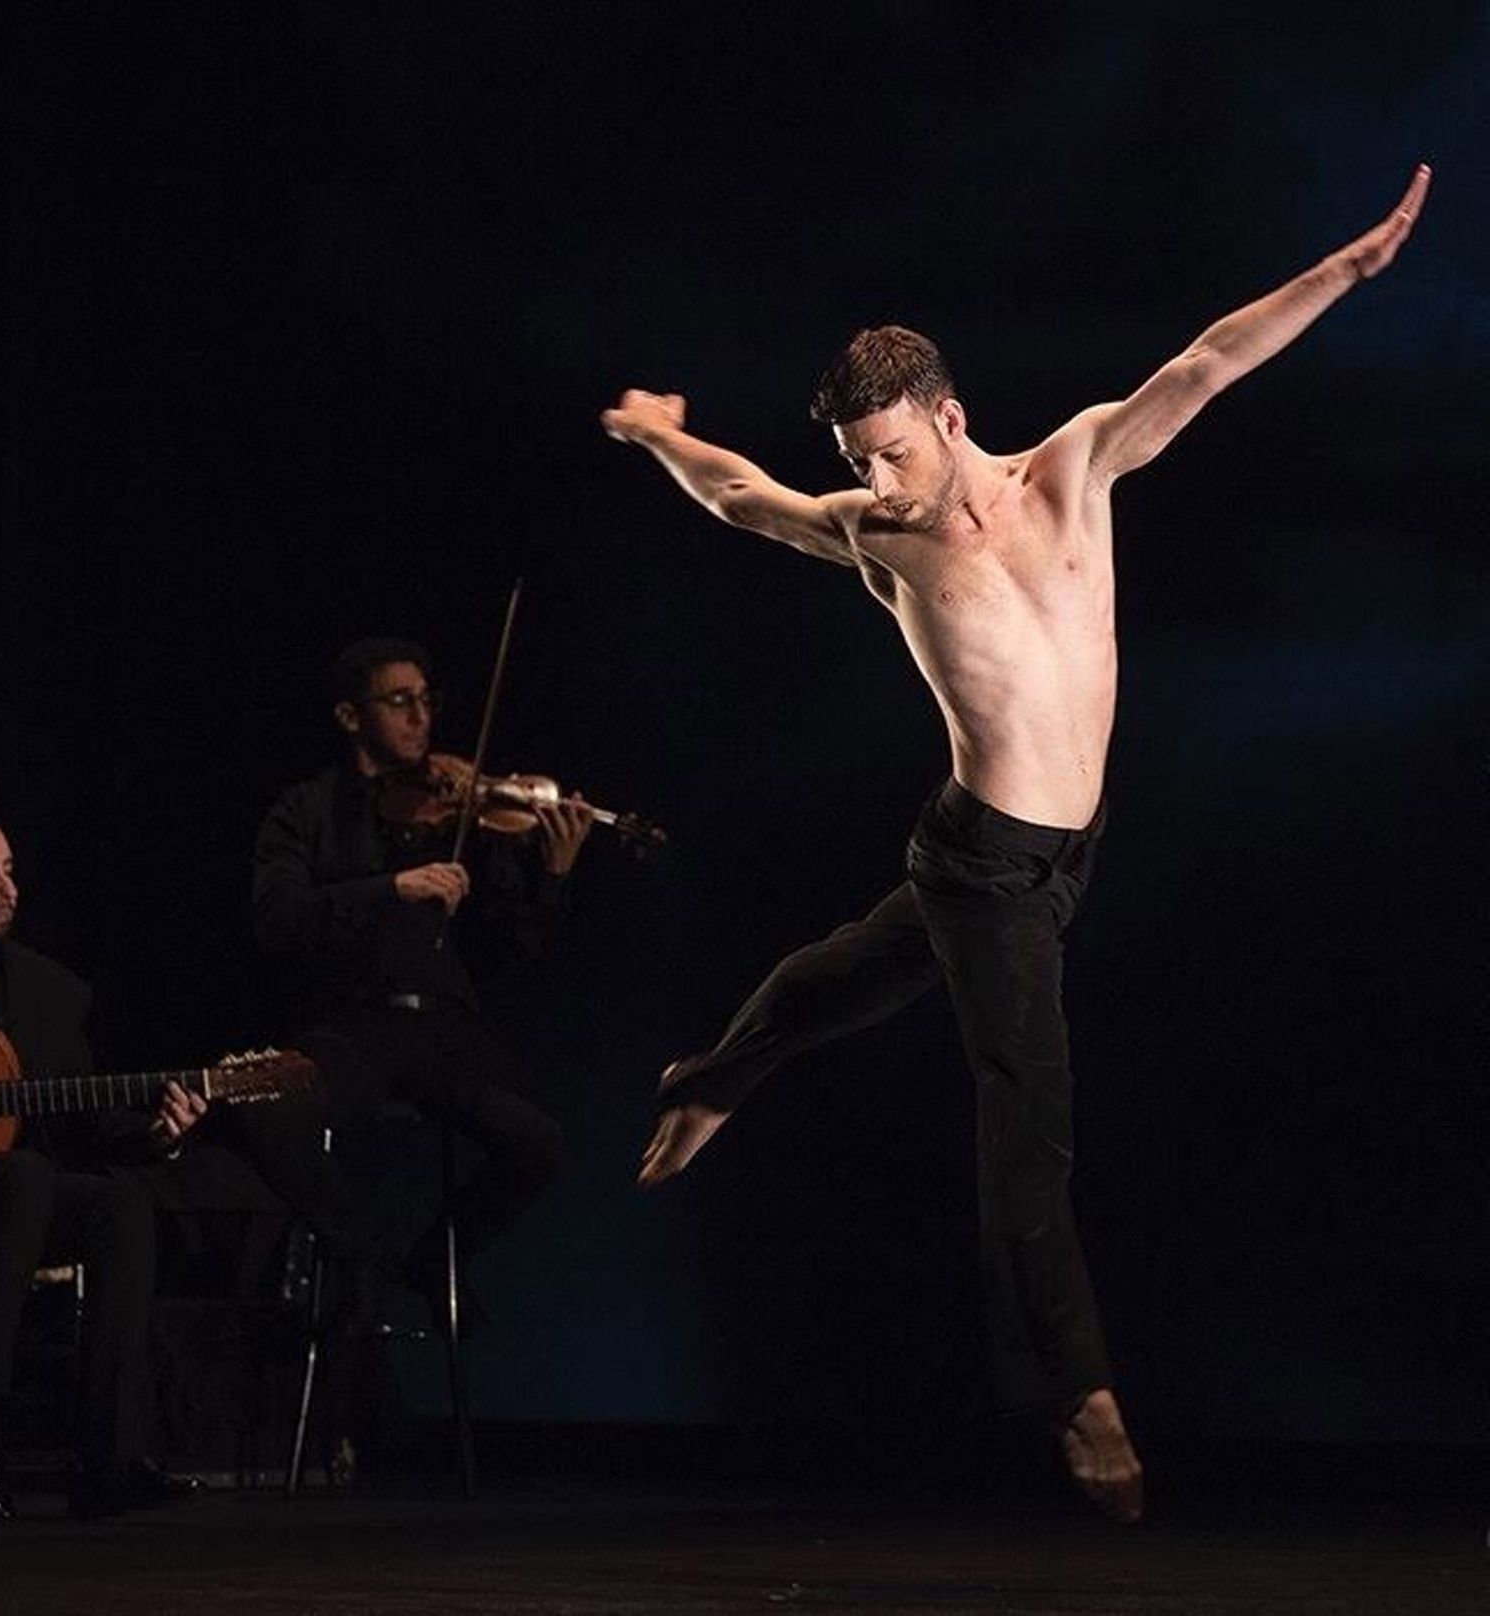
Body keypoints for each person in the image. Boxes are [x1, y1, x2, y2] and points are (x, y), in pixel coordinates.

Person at [601, 165, 1431, 1523]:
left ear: (951, 419)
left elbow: (1209, 362)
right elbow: (743, 497)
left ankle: (714, 1071)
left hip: (1064, 857)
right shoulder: (880, 540)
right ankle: (1079, 1394)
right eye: (858, 462)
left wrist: (1344, 272)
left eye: (893, 453)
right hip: (985, 859)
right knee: (1027, 1116)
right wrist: (653, 434)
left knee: (848, 974)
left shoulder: (1075, 470)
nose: (875, 481)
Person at [250, 636, 593, 1339]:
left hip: (445, 1032)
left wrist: (553, 880)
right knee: (270, 1115)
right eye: (399, 701)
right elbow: (276, 917)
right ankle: (360, 1263)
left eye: (426, 701)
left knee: (540, 1145)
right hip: (352, 1025)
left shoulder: (466, 814)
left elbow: (508, 956)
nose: (420, 718)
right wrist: (390, 889)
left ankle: (437, 1257)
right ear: (352, 716)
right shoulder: (308, 810)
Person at [0, 803, 207, 1518]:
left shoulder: (48, 991)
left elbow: (90, 1126)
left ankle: (109, 1458)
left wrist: (161, 1133)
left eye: (9, 871)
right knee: (22, 1178)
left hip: (2, 1199)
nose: (7, 891)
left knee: (115, 1202)